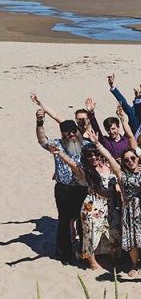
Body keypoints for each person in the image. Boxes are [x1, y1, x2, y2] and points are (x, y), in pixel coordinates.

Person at [91, 142, 141, 277]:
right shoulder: (122, 175)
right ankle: (134, 265)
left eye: (133, 158)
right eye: (126, 160)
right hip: (130, 210)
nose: (130, 161)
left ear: (138, 158)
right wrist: (98, 144)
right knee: (132, 239)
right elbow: (109, 157)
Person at [55, 136, 121, 271]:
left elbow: (112, 161)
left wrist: (98, 145)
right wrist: (59, 153)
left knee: (113, 231)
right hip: (92, 205)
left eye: (95, 154)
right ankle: (92, 261)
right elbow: (71, 164)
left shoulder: (110, 166)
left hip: (110, 205)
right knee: (90, 232)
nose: (93, 157)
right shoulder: (86, 171)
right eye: (89, 155)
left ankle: (112, 255)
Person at [35, 110, 87, 264]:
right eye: (67, 133)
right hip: (63, 188)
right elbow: (42, 140)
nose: (70, 135)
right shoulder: (57, 144)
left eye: (73, 132)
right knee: (64, 221)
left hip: (82, 189)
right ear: (62, 133)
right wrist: (39, 122)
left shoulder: (85, 144)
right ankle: (64, 254)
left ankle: (85, 253)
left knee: (83, 221)